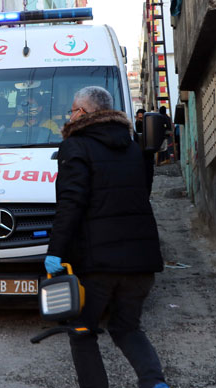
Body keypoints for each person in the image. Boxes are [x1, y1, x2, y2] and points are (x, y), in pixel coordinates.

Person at [45, 86, 169, 388]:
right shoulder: (132, 146)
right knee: (128, 328)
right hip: (141, 262)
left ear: (84, 113)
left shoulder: (75, 146)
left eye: (73, 109)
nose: (69, 114)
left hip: (96, 264)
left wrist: (55, 252)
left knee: (82, 331)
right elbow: (142, 196)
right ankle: (155, 383)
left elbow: (71, 203)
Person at [133, 108, 155, 195]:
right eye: (138, 118)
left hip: (147, 157)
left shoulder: (150, 130)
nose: (139, 121)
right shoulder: (133, 129)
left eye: (142, 119)